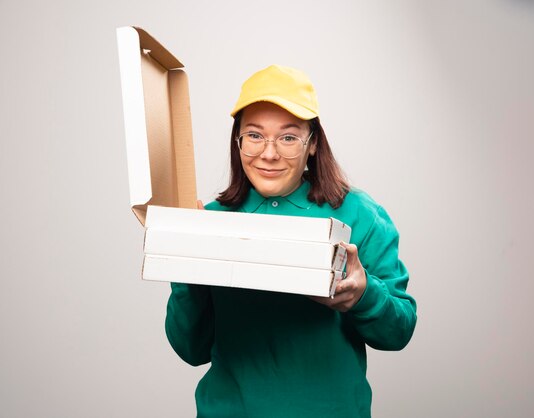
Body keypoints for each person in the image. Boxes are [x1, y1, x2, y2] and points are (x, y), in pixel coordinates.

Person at [165, 64, 417, 418]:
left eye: (287, 137)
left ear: (312, 144)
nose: (269, 153)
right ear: (237, 142)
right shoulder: (210, 221)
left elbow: (399, 331)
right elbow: (191, 349)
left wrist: (363, 295)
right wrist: (184, 262)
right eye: (254, 135)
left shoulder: (360, 214)